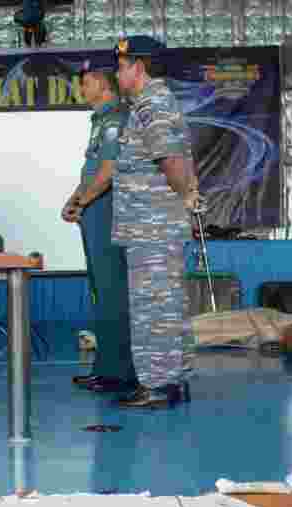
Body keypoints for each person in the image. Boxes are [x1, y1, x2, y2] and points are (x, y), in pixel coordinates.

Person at [108, 35, 198, 408]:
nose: (117, 74)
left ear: (138, 67)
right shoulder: (155, 102)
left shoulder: (151, 104)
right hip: (155, 225)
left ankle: (158, 386)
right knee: (169, 307)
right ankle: (173, 381)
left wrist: (185, 195)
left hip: (152, 227)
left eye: (121, 66)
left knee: (153, 310)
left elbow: (170, 160)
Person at [63, 62, 137, 394]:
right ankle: (106, 367)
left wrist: (84, 200)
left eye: (85, 83)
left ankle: (120, 372)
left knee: (112, 292)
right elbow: (93, 170)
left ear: (100, 84)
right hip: (94, 212)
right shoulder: (99, 121)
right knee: (100, 292)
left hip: (107, 213)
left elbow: (108, 172)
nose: (82, 89)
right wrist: (75, 198)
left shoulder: (115, 118)